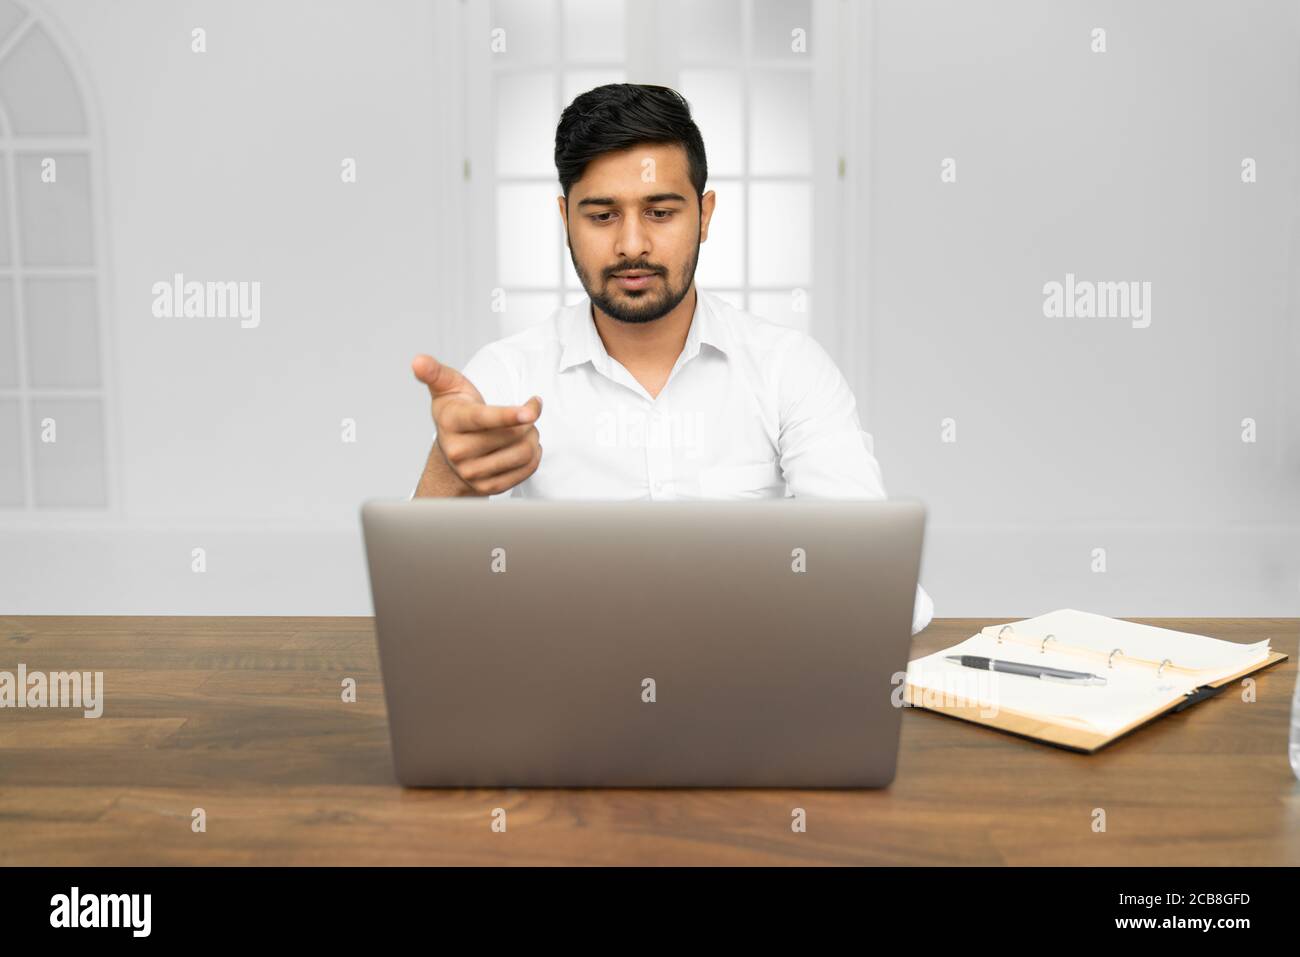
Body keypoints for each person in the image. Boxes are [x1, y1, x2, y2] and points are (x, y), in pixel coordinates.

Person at [411, 83, 933, 633]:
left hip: (744, 692)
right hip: (567, 694)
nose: (632, 245)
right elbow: (423, 606)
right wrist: (450, 474)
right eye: (602, 215)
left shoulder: (789, 368)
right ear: (565, 218)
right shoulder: (506, 375)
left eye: (660, 212)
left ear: (704, 216)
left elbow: (887, 590)